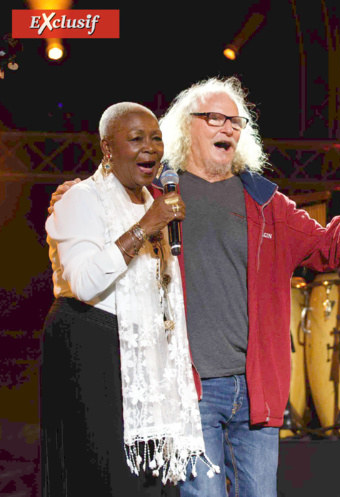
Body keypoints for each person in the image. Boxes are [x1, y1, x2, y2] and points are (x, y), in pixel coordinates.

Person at [52, 77, 340, 497]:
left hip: (256, 391)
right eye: (214, 117)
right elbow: (98, 222)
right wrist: (76, 194)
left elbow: (329, 247)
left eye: (236, 121)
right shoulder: (151, 196)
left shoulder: (268, 204)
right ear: (186, 128)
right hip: (189, 389)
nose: (228, 127)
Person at [42, 103, 211, 496]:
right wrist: (145, 226)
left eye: (155, 138)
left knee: (150, 481)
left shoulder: (155, 202)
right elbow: (84, 283)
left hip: (144, 349)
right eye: (136, 139)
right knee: (104, 475)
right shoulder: (81, 199)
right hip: (91, 345)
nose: (149, 148)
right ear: (108, 148)